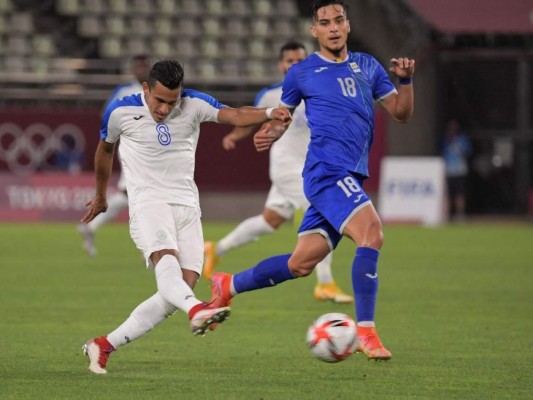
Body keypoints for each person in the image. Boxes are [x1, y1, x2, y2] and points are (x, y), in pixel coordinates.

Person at [210, 0, 415, 361]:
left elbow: (400, 113)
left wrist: (406, 81)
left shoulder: (368, 66)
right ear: (314, 30)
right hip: (325, 172)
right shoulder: (302, 72)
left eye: (339, 20)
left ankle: (228, 284)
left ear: (348, 25)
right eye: (325, 22)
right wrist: (271, 131)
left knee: (301, 263)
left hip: (348, 174)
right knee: (372, 233)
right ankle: (366, 332)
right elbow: (282, 115)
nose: (333, 27)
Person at [80, 59, 291, 374]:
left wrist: (268, 113)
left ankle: (104, 345)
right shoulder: (121, 111)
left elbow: (233, 114)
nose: (165, 109)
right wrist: (100, 195)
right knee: (168, 265)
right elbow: (104, 150)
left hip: (186, 205)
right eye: (159, 101)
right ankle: (196, 309)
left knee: (182, 284)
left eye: (171, 102)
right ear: (145, 89)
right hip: (148, 202)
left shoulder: (193, 104)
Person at [203, 41, 353, 304]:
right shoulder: (272, 95)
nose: (294, 64)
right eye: (290, 61)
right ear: (281, 65)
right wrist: (235, 136)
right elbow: (252, 119)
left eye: (300, 59)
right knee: (322, 211)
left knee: (270, 220)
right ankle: (325, 282)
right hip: (286, 168)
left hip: (309, 167)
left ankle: (217, 248)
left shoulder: (321, 90)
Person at [77, 54, 152, 256]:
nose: (142, 69)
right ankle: (151, 247)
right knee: (141, 193)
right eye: (139, 66)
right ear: (134, 68)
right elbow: (107, 113)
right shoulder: (124, 91)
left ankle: (91, 227)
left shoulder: (156, 88)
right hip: (132, 145)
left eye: (145, 65)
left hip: (153, 147)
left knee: (131, 194)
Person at [441, 119, 471, 222]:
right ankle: (448, 214)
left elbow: (466, 153)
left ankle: (460, 214)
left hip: (460, 170)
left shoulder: (462, 140)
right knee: (448, 194)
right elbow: (442, 152)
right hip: (449, 170)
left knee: (460, 193)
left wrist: (457, 145)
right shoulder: (445, 140)